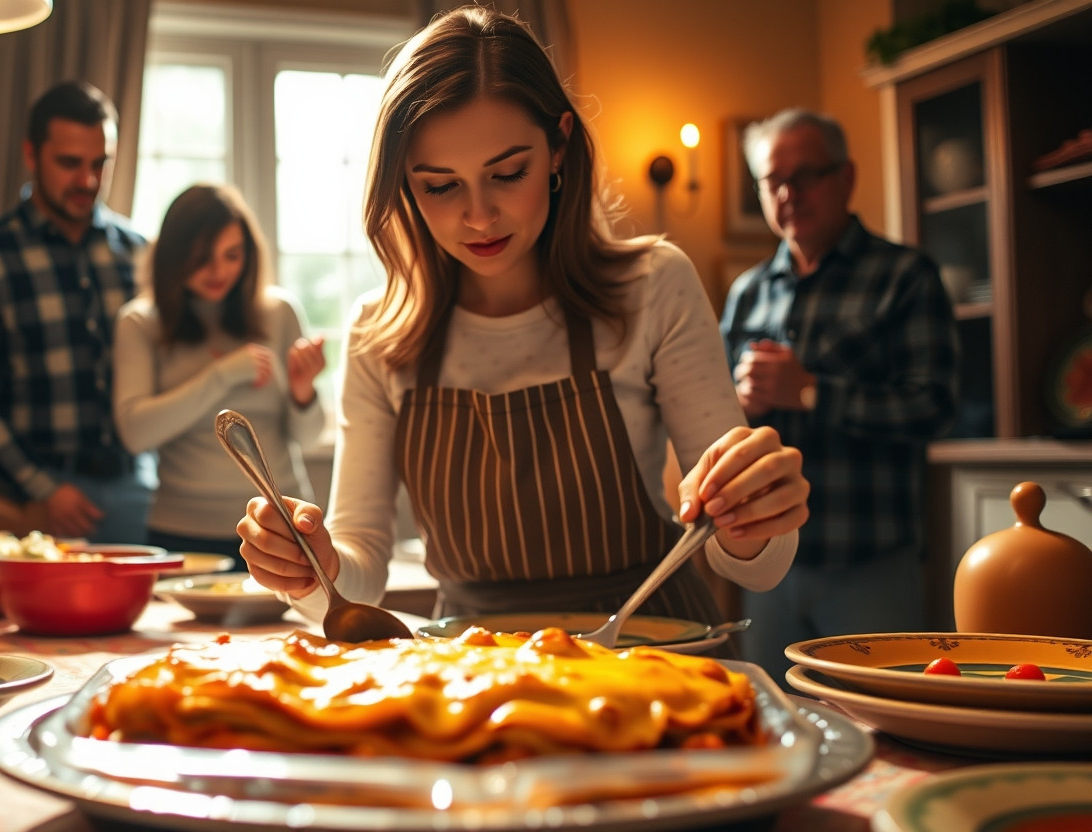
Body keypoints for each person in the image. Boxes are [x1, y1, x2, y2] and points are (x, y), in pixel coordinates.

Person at [236, 6, 810, 632]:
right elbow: (361, 569)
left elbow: (757, 569)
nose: (479, 216)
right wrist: (314, 567)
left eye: (508, 173)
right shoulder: (382, 333)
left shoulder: (652, 287)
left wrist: (754, 514)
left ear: (559, 145)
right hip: (473, 671)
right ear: (404, 183)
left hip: (649, 648)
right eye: (440, 186)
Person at [720, 108, 958, 682]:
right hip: (770, 565)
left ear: (847, 177)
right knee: (775, 723)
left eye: (806, 175)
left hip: (872, 563)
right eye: (773, 181)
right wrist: (744, 407)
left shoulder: (906, 276)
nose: (788, 193)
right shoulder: (747, 292)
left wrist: (810, 393)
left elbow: (935, 407)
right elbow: (718, 421)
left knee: (885, 728)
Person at [0, 80, 153, 543]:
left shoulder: (139, 253)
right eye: (70, 163)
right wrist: (43, 488)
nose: (88, 181)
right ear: (31, 155)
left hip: (137, 485)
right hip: (33, 496)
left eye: (100, 164)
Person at [114, 184, 326, 567]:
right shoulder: (140, 322)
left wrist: (302, 393)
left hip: (279, 524)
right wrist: (222, 376)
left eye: (233, 255)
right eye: (201, 258)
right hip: (182, 532)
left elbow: (307, 439)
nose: (219, 271)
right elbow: (135, 433)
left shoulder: (279, 312)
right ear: (173, 258)